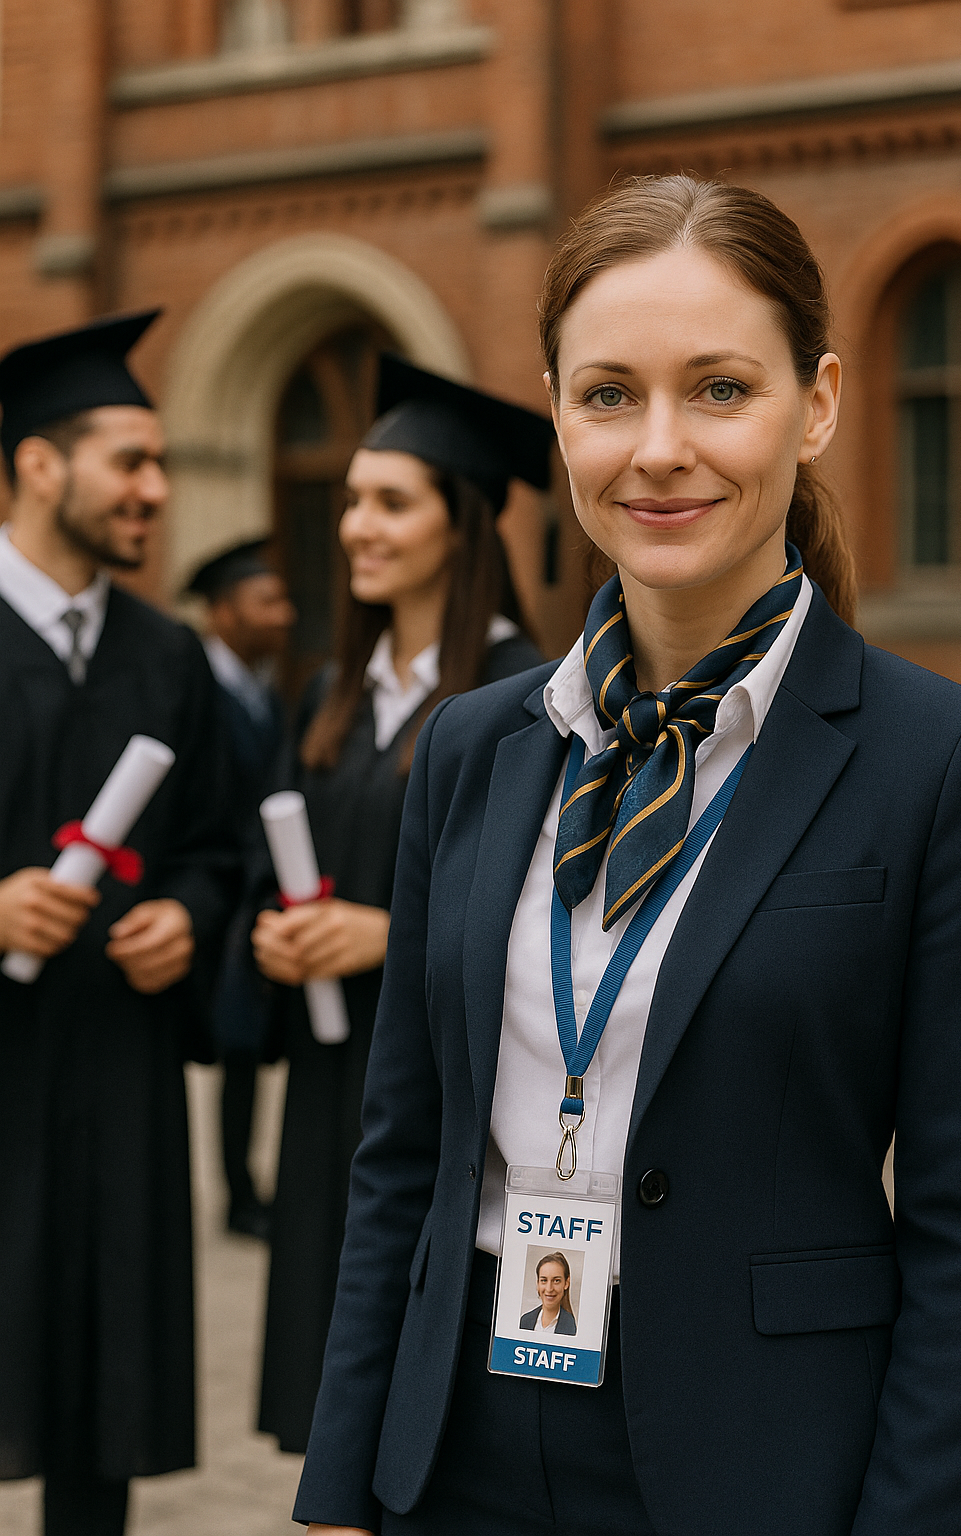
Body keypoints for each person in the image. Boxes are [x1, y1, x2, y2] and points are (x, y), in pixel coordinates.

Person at [293, 174, 961, 1536]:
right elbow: (402, 1157)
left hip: (762, 1470)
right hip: (454, 1459)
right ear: (559, 408)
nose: (660, 448)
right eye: (611, 393)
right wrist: (340, 1488)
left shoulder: (950, 764)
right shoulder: (471, 746)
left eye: (721, 390)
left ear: (817, 403)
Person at [251, 355, 551, 1455]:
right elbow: (262, 866)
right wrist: (273, 936)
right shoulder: (338, 697)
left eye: (390, 502)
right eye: (350, 504)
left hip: (450, 1106)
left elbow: (555, 918)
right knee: (335, 1414)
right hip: (335, 1092)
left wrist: (389, 935)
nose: (356, 528)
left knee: (428, 1418)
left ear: (460, 525)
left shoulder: (528, 703)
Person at [0, 311, 237, 1536]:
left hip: (117, 1069)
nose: (155, 490)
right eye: (130, 463)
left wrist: (188, 919)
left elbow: (217, 845)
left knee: (101, 1394)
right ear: (42, 466)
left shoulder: (168, 655)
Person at [185, 539, 296, 1241]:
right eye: (267, 602)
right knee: (232, 1046)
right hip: (211, 895)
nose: (284, 617)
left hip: (252, 891)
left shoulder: (262, 690)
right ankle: (236, 1192)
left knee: (248, 1048)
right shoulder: (195, 686)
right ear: (224, 612)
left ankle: (245, 1187)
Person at [520, 1254, 576, 1335]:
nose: (549, 1289)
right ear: (538, 1283)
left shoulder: (571, 1326)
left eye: (556, 1281)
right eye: (544, 1280)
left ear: (566, 1283)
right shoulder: (525, 1321)